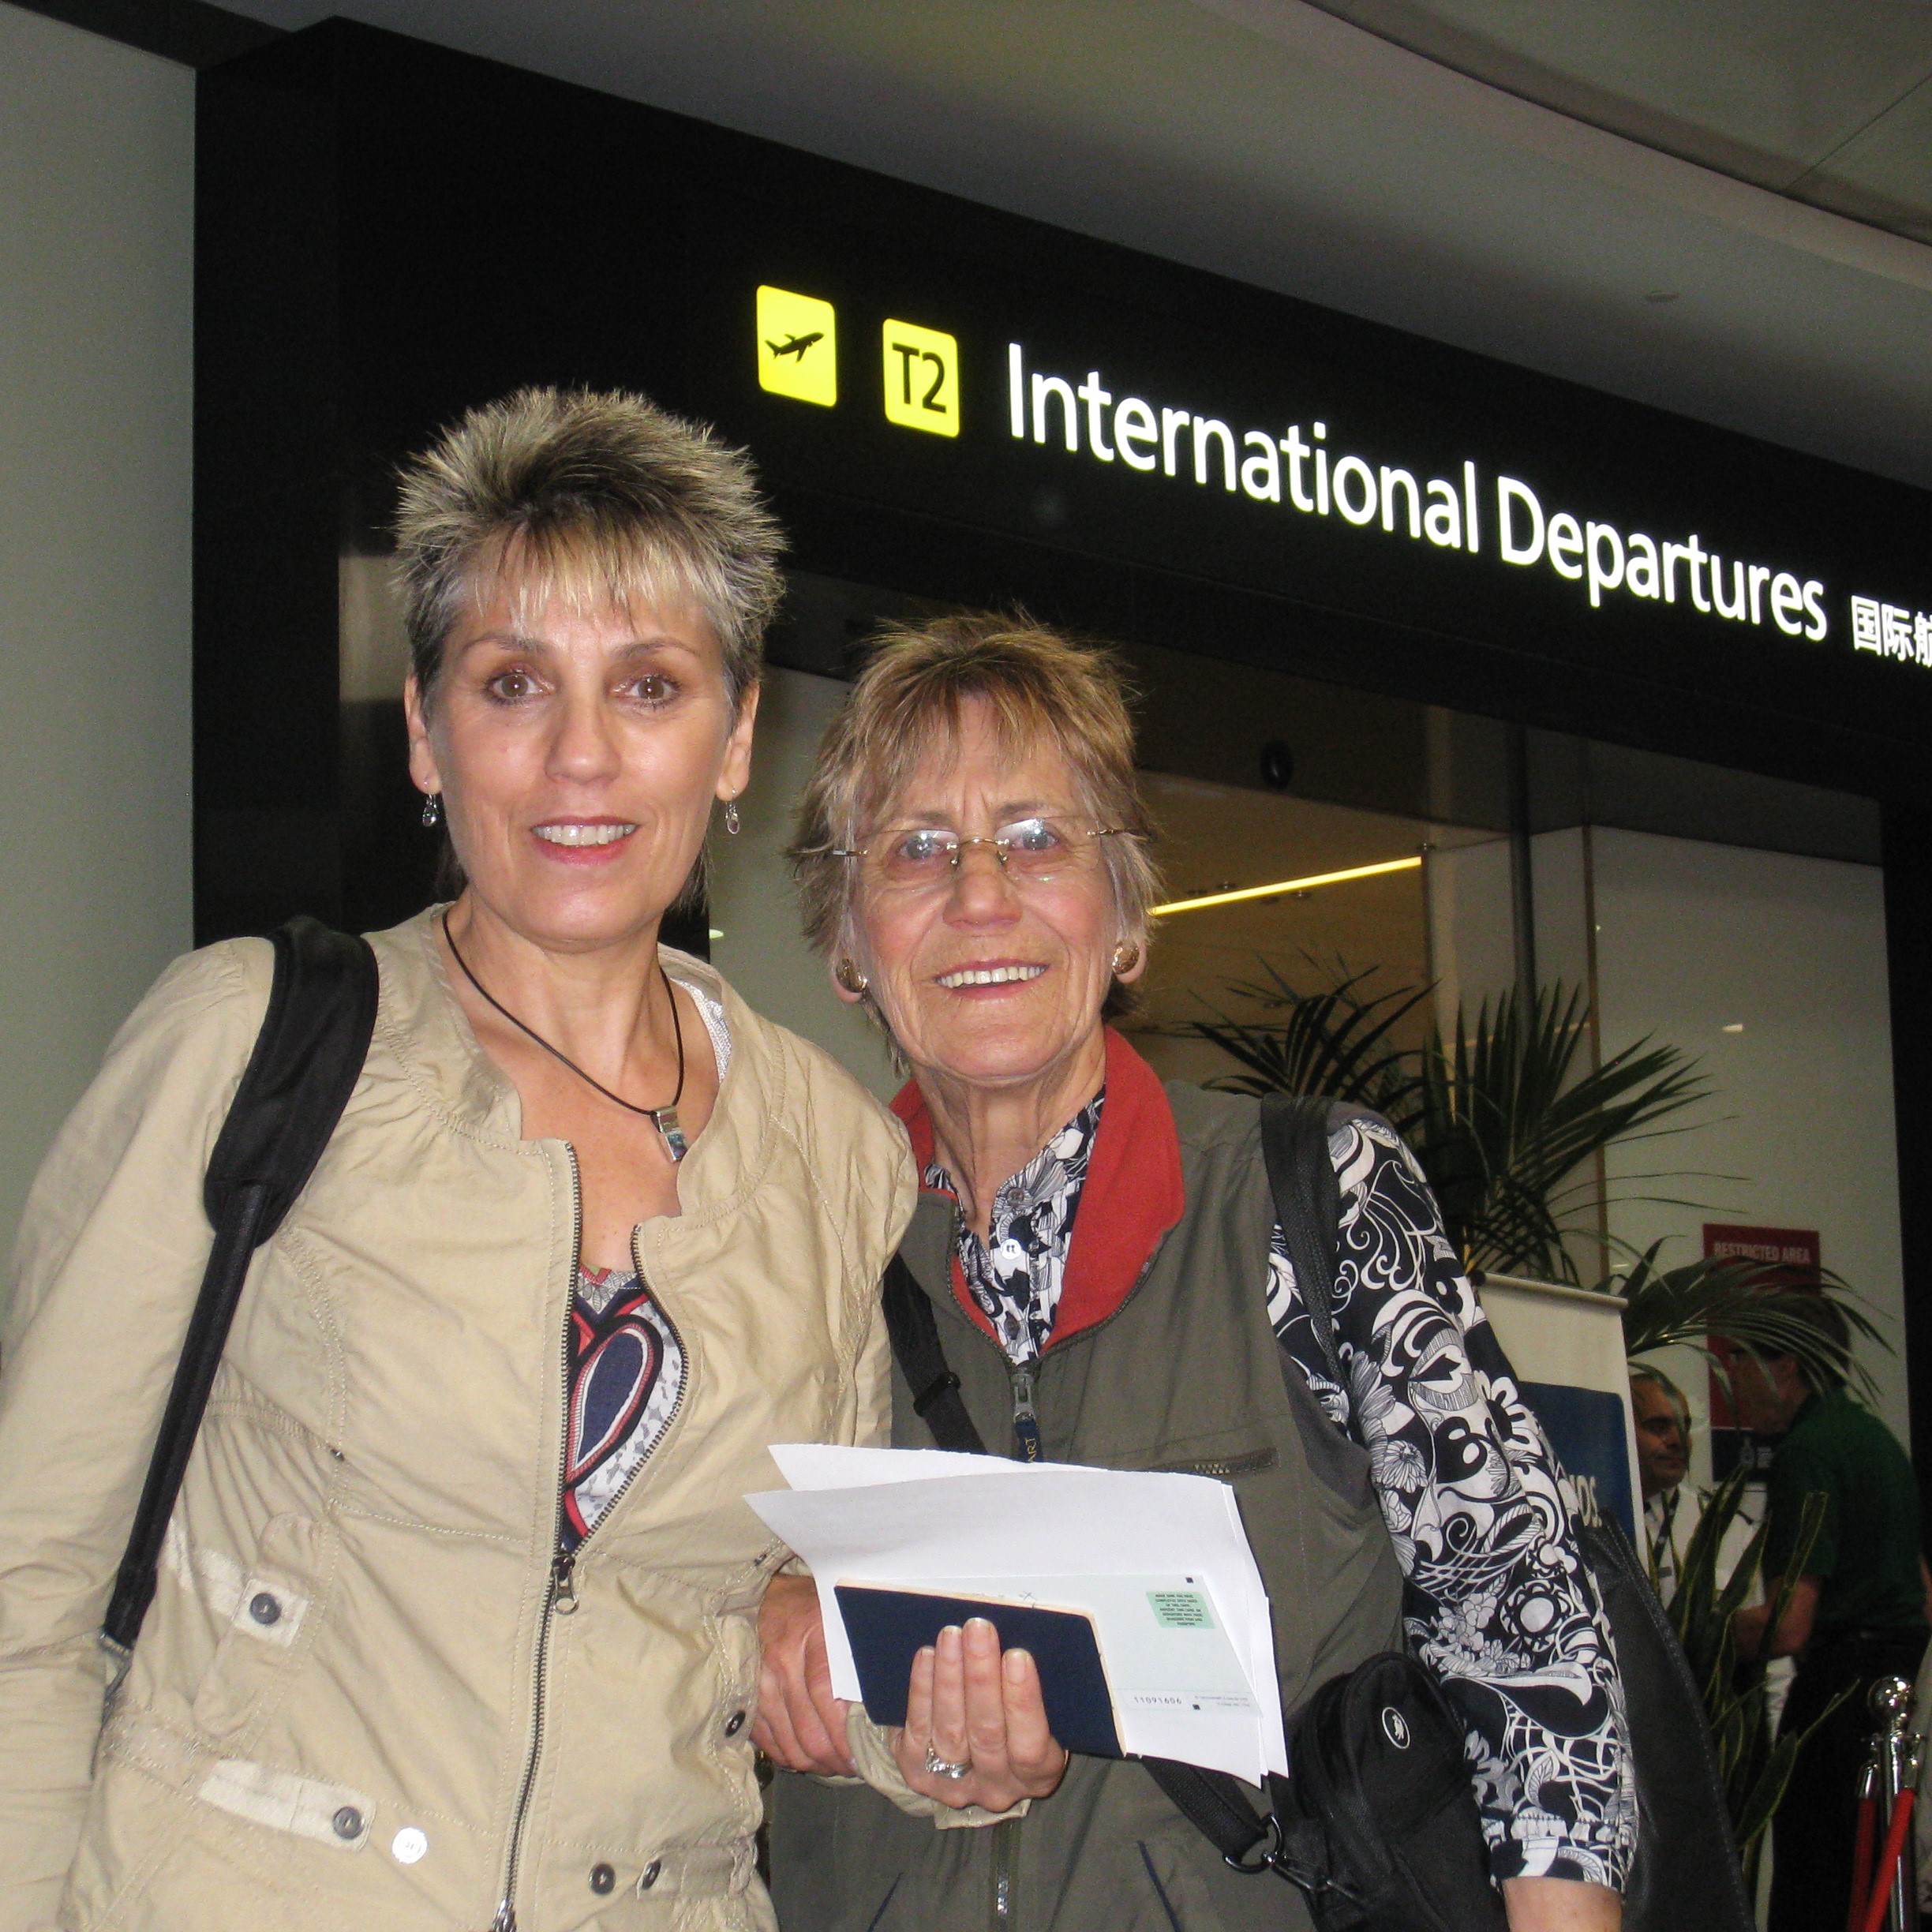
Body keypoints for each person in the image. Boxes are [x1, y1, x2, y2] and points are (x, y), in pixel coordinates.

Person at [0, 388, 915, 1931]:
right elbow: (27, 1597)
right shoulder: (255, 1043)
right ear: (426, 731)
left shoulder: (831, 1152)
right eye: (511, 684)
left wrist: (928, 1732)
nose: (580, 757)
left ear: (739, 732)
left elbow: (820, 1630)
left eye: (648, 686)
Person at [760, 614, 1632, 1931]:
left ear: (1124, 919)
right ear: (846, 938)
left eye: (1038, 838)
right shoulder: (784, 1240)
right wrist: (753, 1606)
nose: (978, 893)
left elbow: (1519, 1631)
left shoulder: (1312, 1195)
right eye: (917, 847)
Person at [1719, 1303, 1930, 1932]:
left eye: (1736, 1360)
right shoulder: (1877, 1440)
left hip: (1837, 1700)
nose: (1730, 1379)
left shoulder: (1808, 1450)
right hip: (1891, 1693)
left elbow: (1789, 1625)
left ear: (1783, 1365)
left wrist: (1699, 1636)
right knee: (1874, 1888)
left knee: (1820, 1887)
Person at [1632, 1367, 1692, 1598]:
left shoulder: (1727, 1529)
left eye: (1684, 1426)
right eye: (1658, 1427)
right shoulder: (1581, 1519)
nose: (1678, 1441)